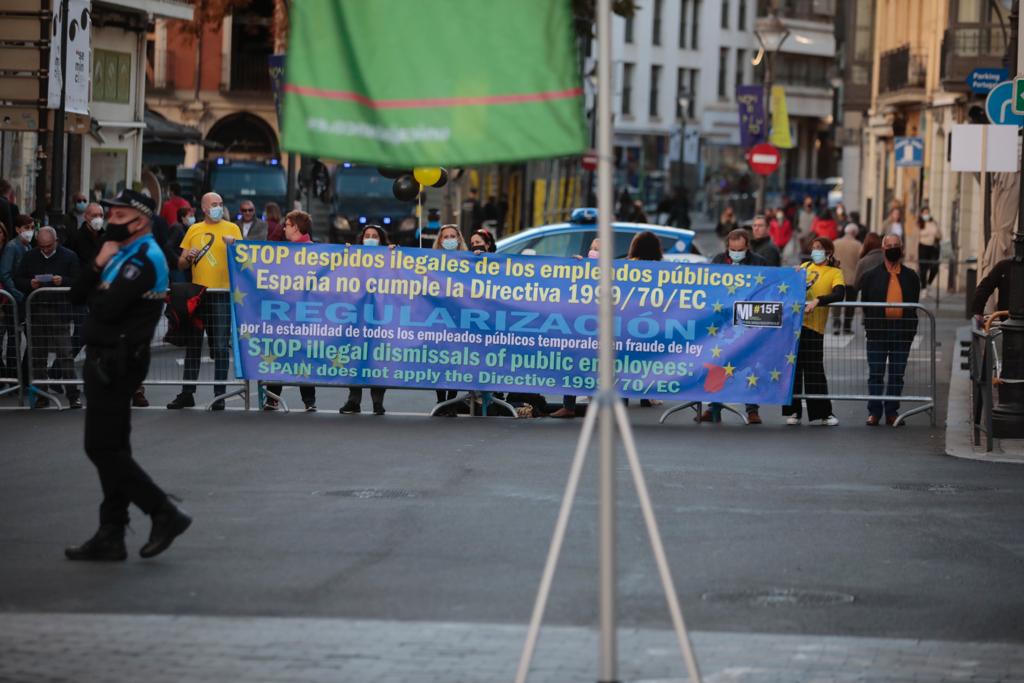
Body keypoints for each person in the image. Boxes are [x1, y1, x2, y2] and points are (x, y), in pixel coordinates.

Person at [64, 188, 191, 561]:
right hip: (106, 357)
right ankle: (112, 531)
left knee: (100, 447)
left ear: (140, 221)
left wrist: (99, 265)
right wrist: (100, 260)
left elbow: (104, 306)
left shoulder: (146, 256)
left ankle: (162, 512)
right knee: (114, 449)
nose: (111, 222)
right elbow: (77, 295)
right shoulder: (118, 252)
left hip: (118, 361)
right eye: (110, 215)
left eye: (119, 217)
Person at [167, 192, 241, 410]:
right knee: (193, 346)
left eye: (221, 203)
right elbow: (181, 264)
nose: (219, 207)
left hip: (221, 294)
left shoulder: (232, 229)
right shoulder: (194, 229)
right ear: (205, 208)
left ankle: (220, 394)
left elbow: (244, 259)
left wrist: (233, 246)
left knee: (219, 346)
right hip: (197, 295)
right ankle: (187, 392)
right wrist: (187, 256)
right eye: (214, 204)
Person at [705, 229, 769, 424]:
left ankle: (752, 409)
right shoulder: (718, 260)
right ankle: (713, 407)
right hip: (723, 321)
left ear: (747, 247)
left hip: (749, 321)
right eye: (732, 249)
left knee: (751, 364)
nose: (735, 253)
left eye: (739, 249)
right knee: (719, 361)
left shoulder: (759, 262)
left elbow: (768, 287)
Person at [15, 226, 81, 408]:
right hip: (36, 311)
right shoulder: (30, 257)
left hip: (59, 311)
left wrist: (64, 281)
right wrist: (30, 283)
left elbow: (79, 280)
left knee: (65, 354)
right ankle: (41, 394)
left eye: (49, 246)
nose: (45, 249)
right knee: (37, 356)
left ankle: (73, 395)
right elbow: (17, 279)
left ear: (56, 241)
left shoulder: (69, 256)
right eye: (41, 246)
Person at [858, 234, 920, 426]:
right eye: (889, 245)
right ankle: (874, 412)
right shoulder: (870, 276)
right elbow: (865, 304)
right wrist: (871, 324)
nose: (893, 248)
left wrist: (910, 328)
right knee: (875, 373)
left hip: (902, 331)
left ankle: (892, 412)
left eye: (896, 245)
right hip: (878, 331)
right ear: (883, 248)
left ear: (901, 249)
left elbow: (914, 302)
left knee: (896, 374)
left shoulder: (911, 277)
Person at [783, 237, 845, 426]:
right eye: (813, 248)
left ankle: (824, 413)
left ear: (828, 252)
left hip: (814, 327)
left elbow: (839, 293)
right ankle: (793, 411)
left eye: (818, 248)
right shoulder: (805, 266)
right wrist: (793, 276)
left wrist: (818, 300)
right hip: (795, 326)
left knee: (815, 370)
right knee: (794, 369)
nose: (814, 251)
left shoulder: (835, 272)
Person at [265, 211, 318, 412]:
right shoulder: (282, 251)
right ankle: (272, 398)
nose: (284, 228)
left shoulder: (317, 251)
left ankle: (309, 400)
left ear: (296, 227)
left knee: (303, 355)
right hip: (283, 312)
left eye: (287, 225)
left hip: (305, 313)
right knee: (279, 351)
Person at [338, 224, 389, 416]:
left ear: (381, 241)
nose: (370, 239)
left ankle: (378, 402)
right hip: (356, 317)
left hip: (380, 317)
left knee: (377, 358)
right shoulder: (353, 257)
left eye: (374, 236)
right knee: (355, 357)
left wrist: (395, 254)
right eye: (367, 235)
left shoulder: (390, 259)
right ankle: (354, 400)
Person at [551, 238, 601, 419]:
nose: (593, 252)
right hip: (578, 326)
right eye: (591, 248)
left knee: (594, 368)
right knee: (572, 364)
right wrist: (576, 267)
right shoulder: (582, 267)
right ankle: (568, 406)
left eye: (597, 249)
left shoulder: (612, 271)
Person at [432, 224, 468, 415]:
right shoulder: (430, 261)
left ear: (459, 239)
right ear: (440, 240)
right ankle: (440, 401)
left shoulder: (468, 261)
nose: (449, 240)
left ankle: (451, 402)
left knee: (455, 359)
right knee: (439, 359)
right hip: (437, 317)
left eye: (452, 236)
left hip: (458, 318)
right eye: (445, 237)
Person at [831, 223, 862, 335]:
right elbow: (860, 262)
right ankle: (847, 326)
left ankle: (836, 323)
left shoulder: (835, 243)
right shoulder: (858, 245)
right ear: (854, 233)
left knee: (836, 302)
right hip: (852, 279)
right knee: (850, 304)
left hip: (837, 278)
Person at [971, 256, 1018, 322]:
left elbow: (985, 287)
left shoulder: (1005, 265)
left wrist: (977, 312)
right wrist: (977, 311)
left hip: (1007, 319)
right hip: (1007, 319)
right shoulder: (1005, 266)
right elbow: (985, 287)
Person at [166, 205, 195, 284]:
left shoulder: (186, 228)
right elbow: (168, 247)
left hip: (184, 267)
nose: (193, 218)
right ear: (182, 217)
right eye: (190, 216)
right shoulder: (177, 228)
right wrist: (178, 260)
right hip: (177, 268)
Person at [917, 208, 942, 287]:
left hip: (933, 247)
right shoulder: (919, 223)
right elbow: (918, 233)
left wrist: (936, 233)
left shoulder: (934, 223)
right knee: (923, 268)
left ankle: (929, 283)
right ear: (921, 214)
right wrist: (929, 232)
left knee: (935, 267)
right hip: (923, 246)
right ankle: (923, 287)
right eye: (925, 213)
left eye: (928, 212)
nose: (926, 214)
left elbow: (940, 235)